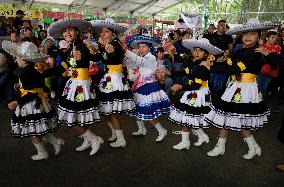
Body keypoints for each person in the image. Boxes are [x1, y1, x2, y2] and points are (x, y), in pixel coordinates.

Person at [204, 18, 281, 159]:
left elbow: (232, 69)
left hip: (246, 90)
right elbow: (228, 63)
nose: (247, 37)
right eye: (245, 34)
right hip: (235, 87)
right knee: (229, 118)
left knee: (236, 121)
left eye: (252, 34)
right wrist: (216, 60)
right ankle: (244, 147)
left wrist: (212, 67)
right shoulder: (239, 51)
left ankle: (249, 147)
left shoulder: (257, 52)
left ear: (259, 36)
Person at [48, 18, 102, 155]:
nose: (67, 33)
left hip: (81, 85)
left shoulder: (81, 46)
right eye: (65, 31)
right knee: (79, 116)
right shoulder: (69, 47)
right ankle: (87, 139)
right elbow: (64, 67)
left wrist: (81, 57)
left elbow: (89, 58)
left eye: (70, 30)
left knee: (71, 119)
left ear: (77, 32)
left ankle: (93, 138)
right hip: (73, 84)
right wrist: (45, 72)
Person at [2, 41, 64, 160]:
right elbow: (34, 85)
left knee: (33, 130)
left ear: (25, 60)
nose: (16, 60)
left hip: (30, 105)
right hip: (38, 103)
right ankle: (55, 141)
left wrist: (17, 102)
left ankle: (43, 153)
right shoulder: (33, 70)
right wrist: (19, 86)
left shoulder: (25, 74)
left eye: (18, 58)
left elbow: (32, 92)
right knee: (39, 127)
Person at [169, 38, 223, 150]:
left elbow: (197, 85)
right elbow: (184, 72)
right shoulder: (193, 62)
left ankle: (185, 142)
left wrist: (179, 86)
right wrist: (169, 72)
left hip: (198, 93)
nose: (197, 52)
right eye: (195, 50)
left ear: (206, 53)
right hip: (194, 91)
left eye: (200, 50)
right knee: (192, 116)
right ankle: (202, 136)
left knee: (187, 116)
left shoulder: (202, 66)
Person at [91, 18, 135, 147]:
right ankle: (115, 133)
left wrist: (106, 48)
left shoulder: (115, 44)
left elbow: (115, 58)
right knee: (106, 110)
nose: (102, 34)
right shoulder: (107, 44)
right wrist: (93, 49)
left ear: (113, 33)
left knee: (112, 112)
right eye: (101, 32)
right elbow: (99, 57)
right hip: (108, 78)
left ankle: (121, 139)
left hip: (115, 79)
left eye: (106, 31)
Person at [124, 35, 171, 141]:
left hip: (148, 86)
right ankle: (141, 129)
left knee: (147, 111)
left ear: (149, 48)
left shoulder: (151, 57)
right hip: (139, 85)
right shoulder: (142, 57)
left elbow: (140, 62)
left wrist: (127, 52)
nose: (141, 49)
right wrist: (127, 56)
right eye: (140, 47)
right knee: (137, 108)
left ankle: (161, 130)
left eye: (143, 47)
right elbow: (132, 65)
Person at [257, 30, 281, 98]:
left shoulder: (277, 47)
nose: (274, 39)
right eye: (272, 37)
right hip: (260, 70)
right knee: (258, 86)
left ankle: (262, 101)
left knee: (264, 87)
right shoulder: (261, 46)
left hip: (271, 71)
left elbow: (277, 60)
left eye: (275, 38)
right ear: (267, 38)